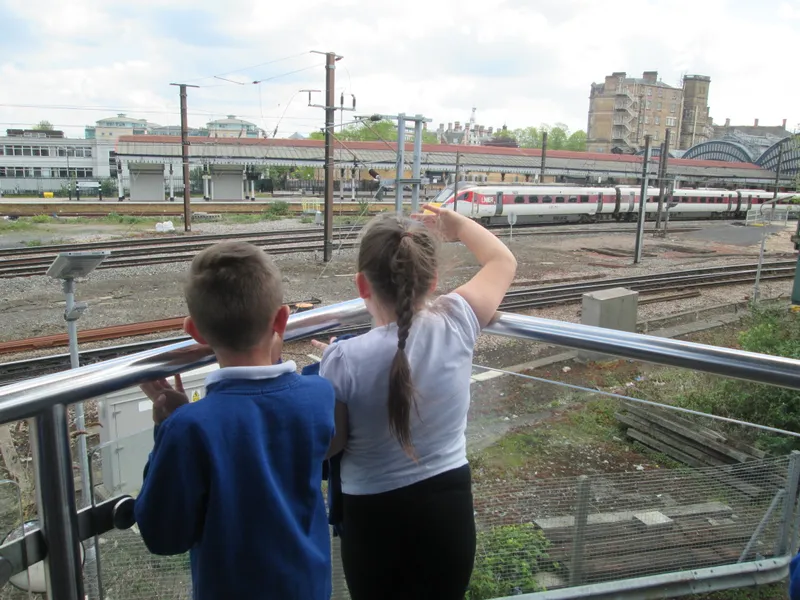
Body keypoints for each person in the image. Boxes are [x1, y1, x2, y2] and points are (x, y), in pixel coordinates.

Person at [314, 205, 517, 600]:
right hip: (449, 510)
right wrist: (457, 226)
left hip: (372, 519)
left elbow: (332, 444)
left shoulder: (342, 359)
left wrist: (326, 370)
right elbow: (502, 260)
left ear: (361, 285)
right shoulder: (457, 319)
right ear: (434, 280)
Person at [133, 241, 336, 600]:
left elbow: (163, 535)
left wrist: (167, 425)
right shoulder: (318, 395)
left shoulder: (189, 427)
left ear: (194, 331)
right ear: (282, 320)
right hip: (308, 588)